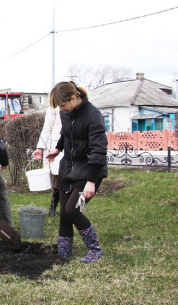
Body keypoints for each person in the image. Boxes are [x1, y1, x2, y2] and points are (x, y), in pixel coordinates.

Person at [45, 81, 107, 263]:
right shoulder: (67, 113)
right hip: (68, 168)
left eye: (63, 105)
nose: (61, 110)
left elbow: (99, 150)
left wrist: (92, 181)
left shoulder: (93, 116)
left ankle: (95, 250)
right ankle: (64, 253)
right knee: (64, 213)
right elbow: (66, 133)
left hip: (88, 170)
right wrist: (57, 149)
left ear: (74, 98)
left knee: (72, 210)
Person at [32, 106, 63, 217]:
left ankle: (67, 209)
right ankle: (53, 208)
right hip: (56, 147)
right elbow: (47, 128)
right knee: (59, 179)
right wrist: (40, 148)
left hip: (71, 147)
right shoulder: (53, 109)